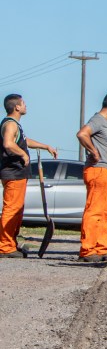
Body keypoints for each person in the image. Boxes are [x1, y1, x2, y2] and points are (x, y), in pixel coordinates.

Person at [0, 94, 58, 258]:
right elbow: (8, 143)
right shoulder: (10, 124)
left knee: (17, 210)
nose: (26, 105)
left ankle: (11, 243)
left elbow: (24, 141)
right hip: (13, 172)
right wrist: (23, 156)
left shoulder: (15, 125)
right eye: (23, 103)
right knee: (11, 210)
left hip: (18, 173)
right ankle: (4, 246)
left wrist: (45, 146)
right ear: (17, 107)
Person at [76, 91, 107, 263]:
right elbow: (82, 134)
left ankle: (102, 248)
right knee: (93, 211)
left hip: (105, 172)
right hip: (97, 170)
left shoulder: (105, 123)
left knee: (104, 213)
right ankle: (87, 250)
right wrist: (93, 151)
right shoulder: (97, 120)